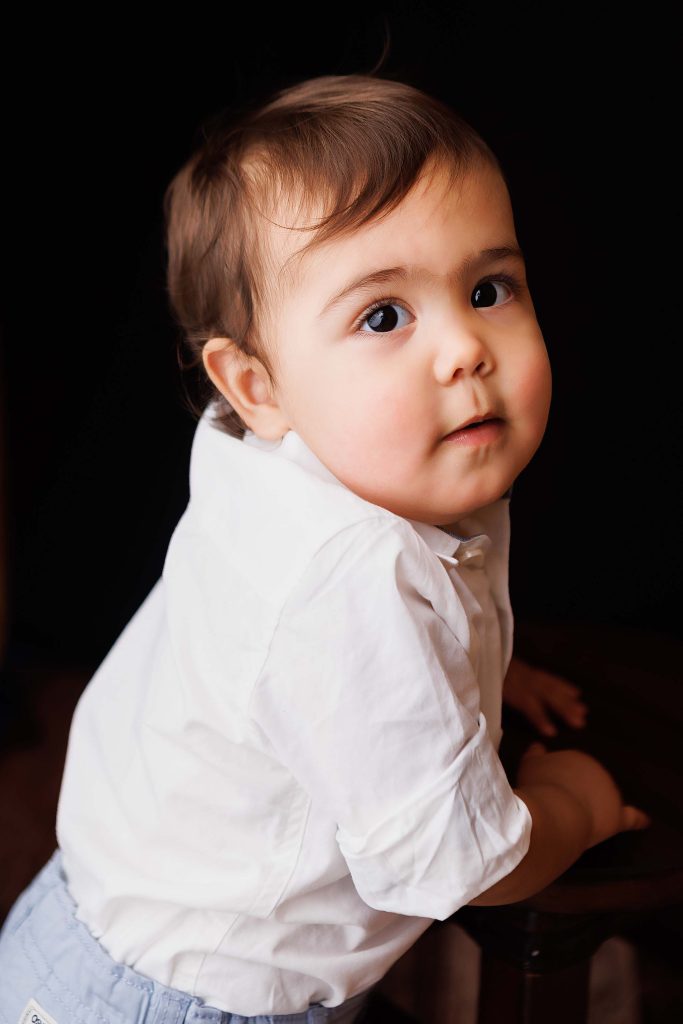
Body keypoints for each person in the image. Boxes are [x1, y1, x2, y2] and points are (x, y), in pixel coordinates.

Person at [0, 73, 650, 1024]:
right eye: (383, 316)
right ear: (256, 384)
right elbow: (463, 866)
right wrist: (571, 803)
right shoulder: (347, 574)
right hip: (185, 1002)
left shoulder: (272, 459)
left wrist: (468, 674)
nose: (464, 348)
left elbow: (309, 672)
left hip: (89, 937)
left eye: (488, 288)